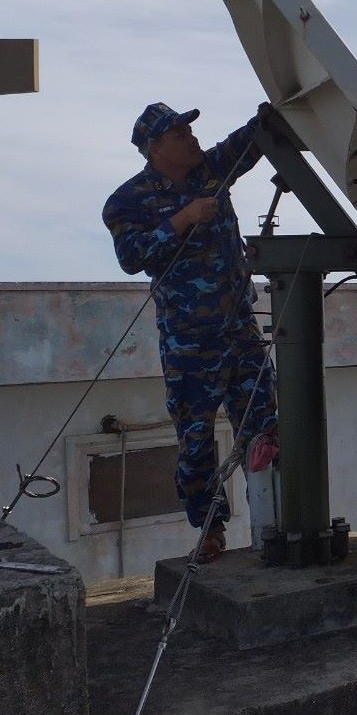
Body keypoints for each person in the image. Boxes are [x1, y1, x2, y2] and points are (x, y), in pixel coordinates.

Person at [102, 103, 276, 562]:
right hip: (190, 343)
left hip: (240, 330)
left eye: (189, 130)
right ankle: (210, 528)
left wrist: (277, 106)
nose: (192, 138)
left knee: (266, 428)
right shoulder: (128, 201)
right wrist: (182, 219)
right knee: (196, 441)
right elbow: (132, 256)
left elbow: (251, 140)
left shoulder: (211, 169)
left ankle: (276, 520)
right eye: (179, 133)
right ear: (155, 148)